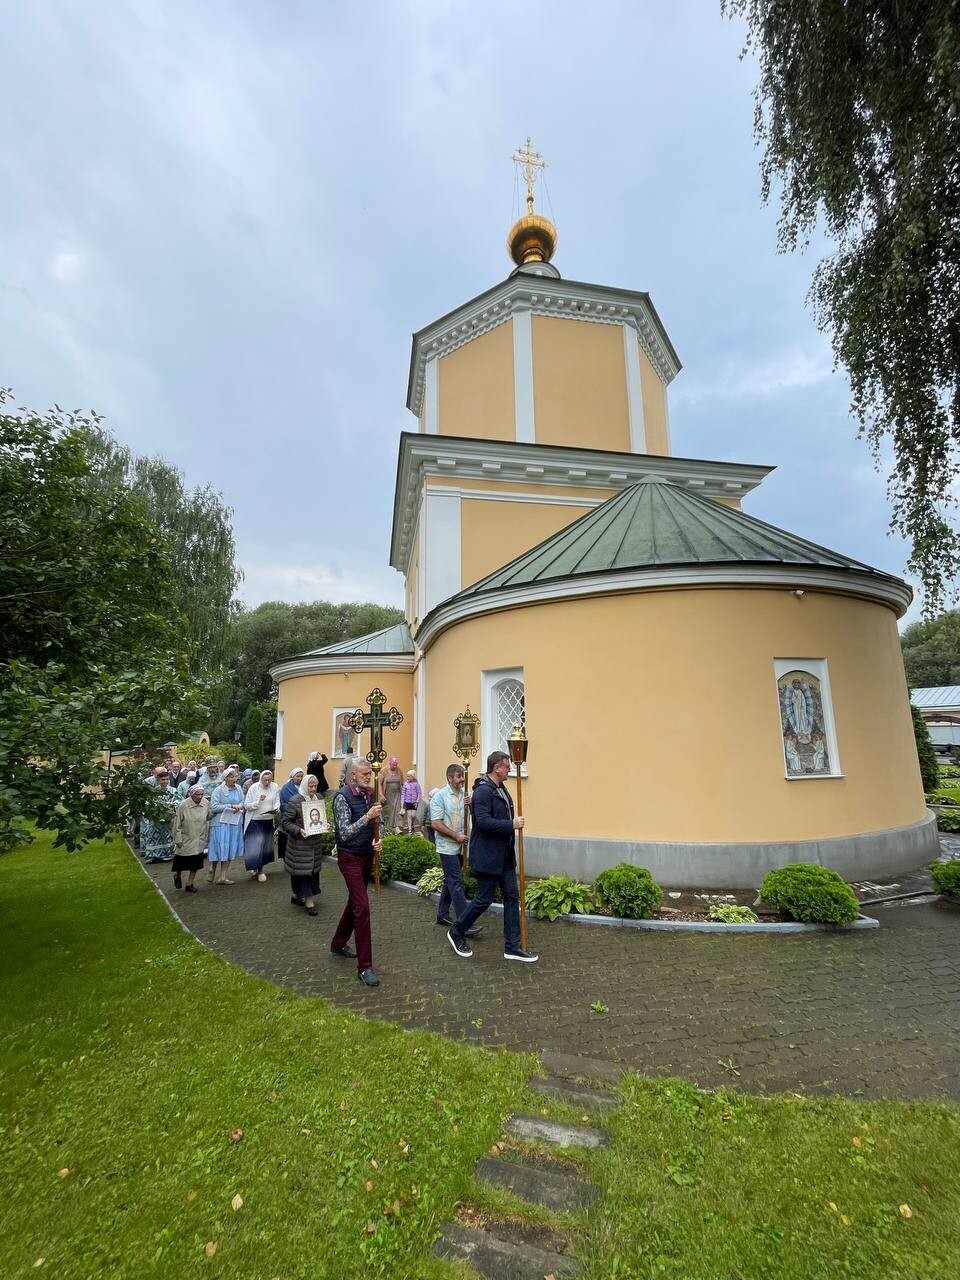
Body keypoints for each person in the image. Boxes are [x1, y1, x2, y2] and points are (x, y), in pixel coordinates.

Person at [446, 750, 538, 963]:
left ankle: (512, 947)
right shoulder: (483, 792)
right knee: (483, 899)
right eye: (506, 766)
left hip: (504, 856)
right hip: (488, 856)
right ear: (497, 768)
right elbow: (483, 822)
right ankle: (456, 931)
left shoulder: (500, 788)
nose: (509, 769)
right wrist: (511, 824)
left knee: (512, 897)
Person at [329, 758, 383, 987]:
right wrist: (367, 817)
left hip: (366, 855)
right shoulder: (342, 797)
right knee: (362, 907)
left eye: (369, 773)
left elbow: (379, 823)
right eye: (364, 774)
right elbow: (344, 833)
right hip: (349, 857)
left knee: (354, 902)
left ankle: (338, 943)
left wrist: (378, 839)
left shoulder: (370, 794)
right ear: (353, 775)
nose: (369, 777)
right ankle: (365, 967)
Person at [431, 764, 482, 936]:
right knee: (456, 882)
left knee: (450, 880)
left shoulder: (465, 795)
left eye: (463, 776)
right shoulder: (439, 796)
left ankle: (442, 915)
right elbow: (436, 823)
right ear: (450, 778)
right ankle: (465, 923)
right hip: (447, 846)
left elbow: (474, 816)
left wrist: (471, 805)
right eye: (459, 777)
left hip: (461, 845)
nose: (462, 780)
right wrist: (455, 836)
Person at [282, 773, 326, 914]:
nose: (313, 789)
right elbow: (285, 822)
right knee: (304, 873)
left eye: (315, 786)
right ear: (305, 786)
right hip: (299, 846)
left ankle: (296, 896)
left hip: (314, 845)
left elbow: (321, 817)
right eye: (310, 786)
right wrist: (299, 830)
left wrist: (325, 824)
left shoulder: (319, 798)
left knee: (311, 872)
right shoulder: (295, 800)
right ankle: (309, 903)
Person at [207, 766, 244, 885]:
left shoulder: (238, 788)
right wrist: (230, 806)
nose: (234, 779)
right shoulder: (218, 790)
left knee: (228, 849)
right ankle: (212, 868)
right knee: (219, 848)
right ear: (225, 778)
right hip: (220, 824)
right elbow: (214, 807)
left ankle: (223, 876)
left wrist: (239, 806)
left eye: (235, 776)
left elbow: (242, 801)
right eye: (232, 777)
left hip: (233, 823)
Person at [172, 783, 211, 891]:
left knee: (196, 863)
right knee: (180, 862)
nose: (200, 797)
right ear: (191, 794)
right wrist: (178, 839)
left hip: (199, 837)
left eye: (202, 794)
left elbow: (209, 816)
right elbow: (177, 824)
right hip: (186, 837)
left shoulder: (206, 803)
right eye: (197, 795)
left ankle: (189, 884)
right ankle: (177, 875)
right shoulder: (183, 805)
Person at [243, 769, 280, 881]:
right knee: (256, 845)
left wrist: (276, 808)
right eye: (265, 780)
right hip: (255, 820)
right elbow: (246, 805)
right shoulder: (254, 788)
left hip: (268, 819)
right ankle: (259, 870)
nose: (267, 782)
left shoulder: (275, 786)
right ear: (261, 779)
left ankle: (259, 868)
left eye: (269, 780)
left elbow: (277, 801)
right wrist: (258, 802)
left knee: (265, 846)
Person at [141, 767, 177, 863]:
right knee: (153, 836)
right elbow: (148, 803)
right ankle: (152, 855)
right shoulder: (154, 791)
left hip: (168, 818)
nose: (165, 781)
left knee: (167, 836)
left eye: (167, 779)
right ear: (158, 780)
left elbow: (178, 801)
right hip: (155, 818)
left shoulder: (173, 790)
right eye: (163, 779)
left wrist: (172, 805)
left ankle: (167, 854)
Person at [379, 756, 403, 835]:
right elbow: (379, 783)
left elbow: (402, 782)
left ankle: (397, 827)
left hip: (397, 794)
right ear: (389, 763)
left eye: (396, 764)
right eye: (393, 764)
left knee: (397, 809)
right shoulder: (384, 771)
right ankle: (388, 828)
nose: (395, 766)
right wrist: (381, 795)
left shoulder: (399, 770)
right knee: (389, 810)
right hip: (387, 794)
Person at [400, 769, 422, 834]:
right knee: (409, 815)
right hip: (407, 802)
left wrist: (417, 801)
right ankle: (409, 829)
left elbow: (419, 793)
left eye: (409, 776)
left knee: (413, 815)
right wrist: (402, 803)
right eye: (407, 776)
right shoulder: (405, 784)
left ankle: (412, 825)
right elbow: (403, 793)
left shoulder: (416, 784)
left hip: (414, 802)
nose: (408, 778)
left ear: (413, 777)